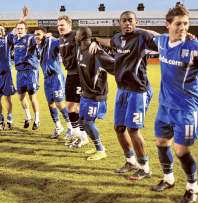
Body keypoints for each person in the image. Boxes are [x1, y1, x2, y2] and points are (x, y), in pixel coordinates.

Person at [149, 5, 198, 203]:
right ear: (168, 25)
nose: (182, 27)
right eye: (178, 24)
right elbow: (148, 34)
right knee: (161, 143)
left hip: (186, 109)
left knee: (181, 150)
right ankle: (168, 178)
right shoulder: (162, 41)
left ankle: (192, 186)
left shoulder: (195, 47)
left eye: (186, 23)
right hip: (165, 106)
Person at [91, 11, 156, 180]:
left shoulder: (142, 37)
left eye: (131, 21)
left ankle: (145, 167)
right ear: (119, 23)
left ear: (136, 22)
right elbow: (109, 42)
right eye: (124, 21)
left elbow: (161, 38)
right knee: (119, 127)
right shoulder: (118, 38)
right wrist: (96, 40)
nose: (127, 23)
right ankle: (130, 161)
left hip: (138, 90)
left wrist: (141, 29)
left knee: (133, 129)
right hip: (122, 90)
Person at [76, 27, 115, 160]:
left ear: (81, 36)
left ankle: (101, 150)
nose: (75, 36)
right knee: (82, 120)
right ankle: (96, 145)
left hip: (96, 95)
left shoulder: (96, 52)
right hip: (85, 94)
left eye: (77, 34)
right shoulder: (80, 49)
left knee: (88, 123)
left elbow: (114, 66)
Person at [57, 15, 89, 146]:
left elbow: (87, 44)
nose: (60, 27)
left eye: (62, 25)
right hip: (70, 75)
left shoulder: (76, 36)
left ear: (69, 25)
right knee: (69, 106)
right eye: (58, 25)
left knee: (78, 107)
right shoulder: (60, 39)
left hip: (79, 75)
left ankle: (84, 136)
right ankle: (78, 135)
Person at [34, 27, 71, 138]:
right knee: (51, 103)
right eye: (35, 34)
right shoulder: (38, 46)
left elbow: (62, 42)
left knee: (59, 103)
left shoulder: (52, 42)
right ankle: (58, 126)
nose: (36, 36)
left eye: (39, 34)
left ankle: (71, 127)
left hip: (56, 76)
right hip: (47, 79)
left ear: (45, 35)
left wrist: (53, 36)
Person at [7, 6, 40, 130]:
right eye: (18, 28)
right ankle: (28, 117)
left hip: (31, 71)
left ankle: (37, 120)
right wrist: (23, 18)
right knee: (21, 96)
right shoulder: (14, 39)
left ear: (26, 29)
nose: (19, 30)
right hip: (20, 71)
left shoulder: (30, 38)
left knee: (32, 96)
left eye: (21, 28)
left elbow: (39, 39)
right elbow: (12, 32)